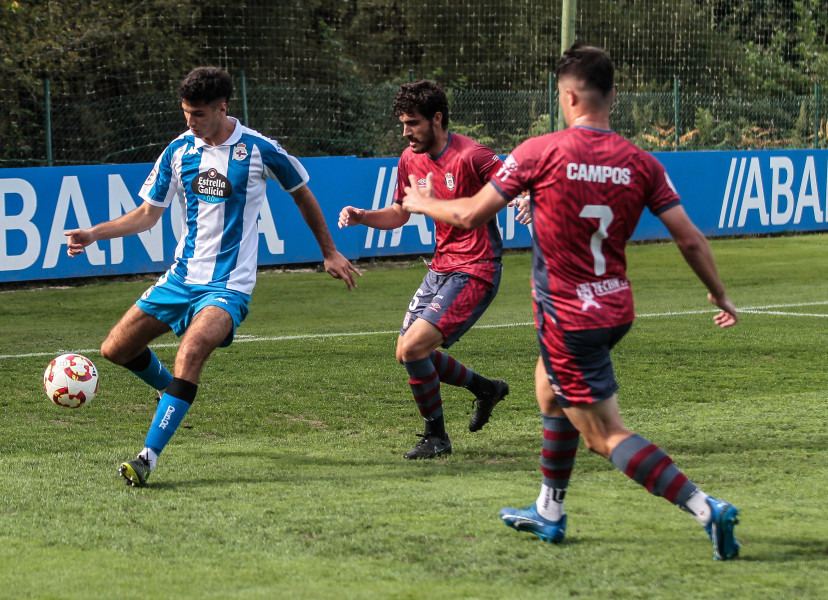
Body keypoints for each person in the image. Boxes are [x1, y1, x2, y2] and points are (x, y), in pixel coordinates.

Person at [401, 45, 741, 560]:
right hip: (615, 308)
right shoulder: (641, 161)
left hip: (568, 316)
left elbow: (471, 215)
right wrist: (719, 293)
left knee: (604, 435)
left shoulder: (539, 151)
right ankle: (549, 511)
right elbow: (690, 239)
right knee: (546, 390)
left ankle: (706, 508)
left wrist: (421, 201)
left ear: (569, 95)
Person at [66, 66, 361, 487]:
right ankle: (174, 393)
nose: (190, 121)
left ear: (223, 108)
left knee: (191, 351)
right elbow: (148, 214)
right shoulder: (179, 150)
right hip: (180, 279)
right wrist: (94, 233)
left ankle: (147, 457)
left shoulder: (259, 149)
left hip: (228, 286)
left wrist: (329, 251)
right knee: (114, 349)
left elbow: (302, 193)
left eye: (199, 114)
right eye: (186, 112)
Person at [338, 80, 509, 460]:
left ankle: (437, 437)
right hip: (441, 268)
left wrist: (528, 199)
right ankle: (486, 389)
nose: (405, 131)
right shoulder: (409, 159)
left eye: (412, 123)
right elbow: (401, 212)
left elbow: (514, 181)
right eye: (402, 123)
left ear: (437, 118)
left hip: (476, 268)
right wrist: (362, 215)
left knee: (415, 347)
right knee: (407, 352)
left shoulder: (473, 155)